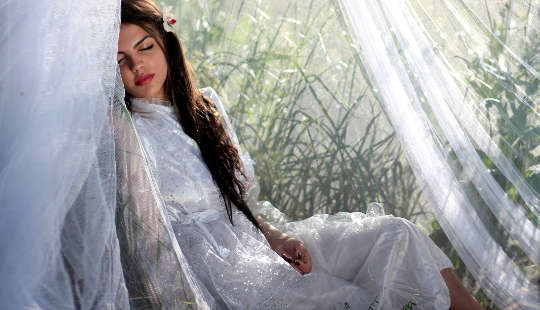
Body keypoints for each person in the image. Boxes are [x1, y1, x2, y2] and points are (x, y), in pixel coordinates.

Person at [116, 0, 484, 308]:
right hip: (219, 269)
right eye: (121, 60)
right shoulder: (128, 130)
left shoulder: (206, 105)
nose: (137, 67)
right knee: (342, 297)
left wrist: (277, 237)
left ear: (167, 42)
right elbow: (149, 240)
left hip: (257, 239)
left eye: (145, 48)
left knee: (396, 234)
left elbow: (239, 201)